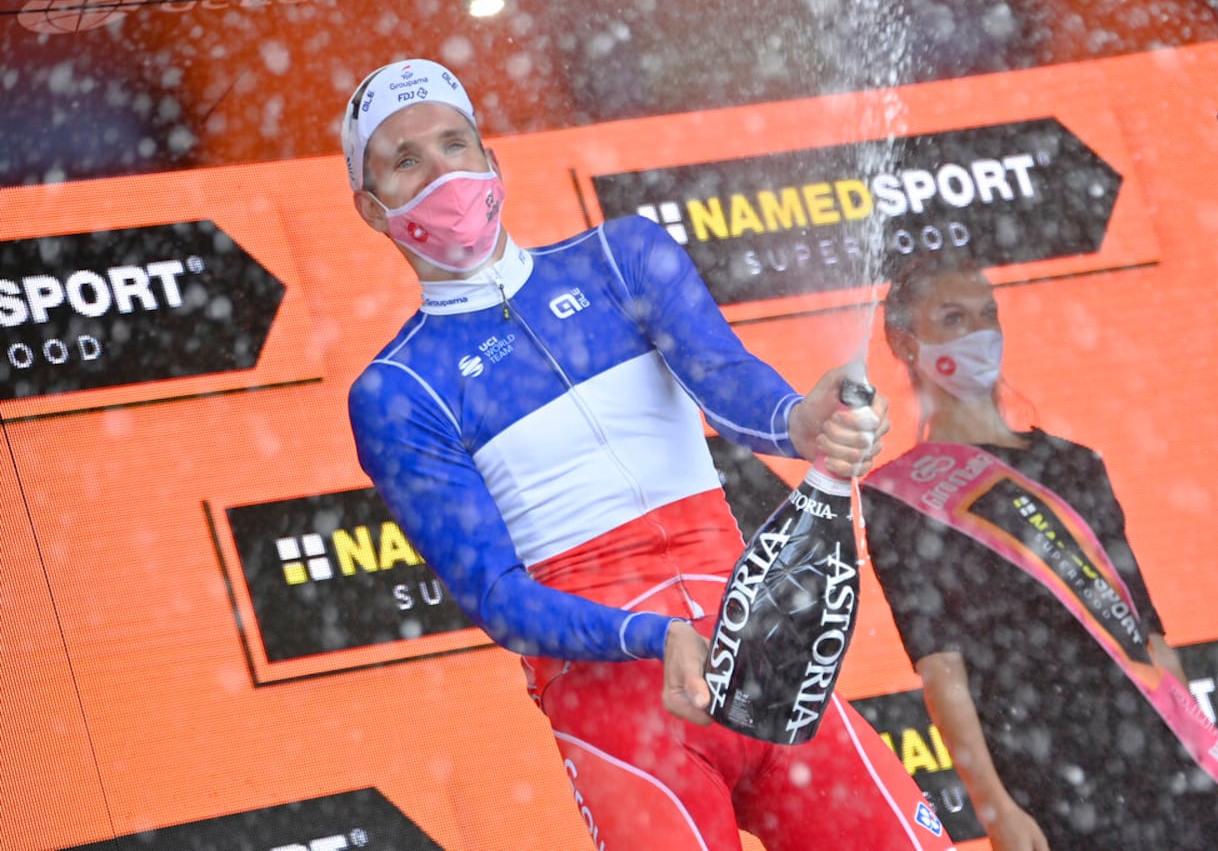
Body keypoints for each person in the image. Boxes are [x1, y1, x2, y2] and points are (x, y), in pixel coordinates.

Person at [341, 59, 956, 850]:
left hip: (756, 651)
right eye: (406, 160)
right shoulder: (396, 390)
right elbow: (498, 600)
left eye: (455, 144)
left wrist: (801, 421)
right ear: (372, 207)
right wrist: (652, 637)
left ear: (492, 161)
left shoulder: (620, 255)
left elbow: (726, 380)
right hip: (619, 708)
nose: (442, 174)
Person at [861, 260, 1218, 850]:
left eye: (988, 315)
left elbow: (1147, 635)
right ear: (905, 342)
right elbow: (940, 666)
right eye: (953, 318)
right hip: (1041, 758)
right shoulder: (900, 495)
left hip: (1156, 741)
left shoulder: (1075, 465)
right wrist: (994, 806)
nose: (979, 333)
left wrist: (1206, 752)